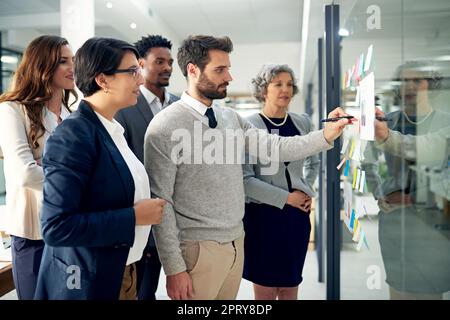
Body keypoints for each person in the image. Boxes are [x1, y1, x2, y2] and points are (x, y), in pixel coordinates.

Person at [144, 35, 354, 300]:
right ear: (193, 70)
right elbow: (160, 204)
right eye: (220, 70)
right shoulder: (165, 127)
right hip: (197, 250)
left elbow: (277, 147)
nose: (229, 77)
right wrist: (174, 269)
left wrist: (327, 134)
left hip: (236, 244)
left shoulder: (230, 118)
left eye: (228, 68)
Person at [34, 37, 165, 300]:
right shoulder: (73, 135)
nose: (140, 79)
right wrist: (133, 217)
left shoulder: (112, 129)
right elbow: (56, 227)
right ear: (102, 80)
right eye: (132, 72)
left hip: (122, 270)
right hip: (86, 278)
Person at [362, 61, 450, 299]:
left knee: (429, 290)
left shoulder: (445, 123)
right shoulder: (386, 122)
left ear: (431, 86)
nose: (409, 87)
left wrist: (414, 199)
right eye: (404, 81)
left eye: (417, 81)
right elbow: (367, 162)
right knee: (398, 288)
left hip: (433, 222)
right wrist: (380, 194)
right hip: (393, 221)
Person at [0, 35, 77, 300]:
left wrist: (46, 165)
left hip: (69, 230)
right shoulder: (12, 110)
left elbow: (85, 167)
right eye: (63, 61)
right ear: (43, 66)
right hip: (33, 234)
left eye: (73, 60)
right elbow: (26, 174)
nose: (72, 68)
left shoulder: (71, 114)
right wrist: (71, 174)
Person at [242, 64, 319, 300]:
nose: (285, 89)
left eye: (289, 84)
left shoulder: (302, 123)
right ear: (264, 89)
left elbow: (314, 163)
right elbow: (245, 180)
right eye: (278, 84)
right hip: (262, 218)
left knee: (290, 286)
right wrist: (288, 198)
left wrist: (304, 190)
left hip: (295, 219)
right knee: (264, 291)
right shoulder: (248, 125)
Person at [115, 35, 179, 300]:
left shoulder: (179, 104)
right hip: (144, 220)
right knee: (143, 292)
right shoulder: (125, 107)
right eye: (159, 61)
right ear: (140, 64)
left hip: (179, 219)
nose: (167, 67)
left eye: (170, 62)